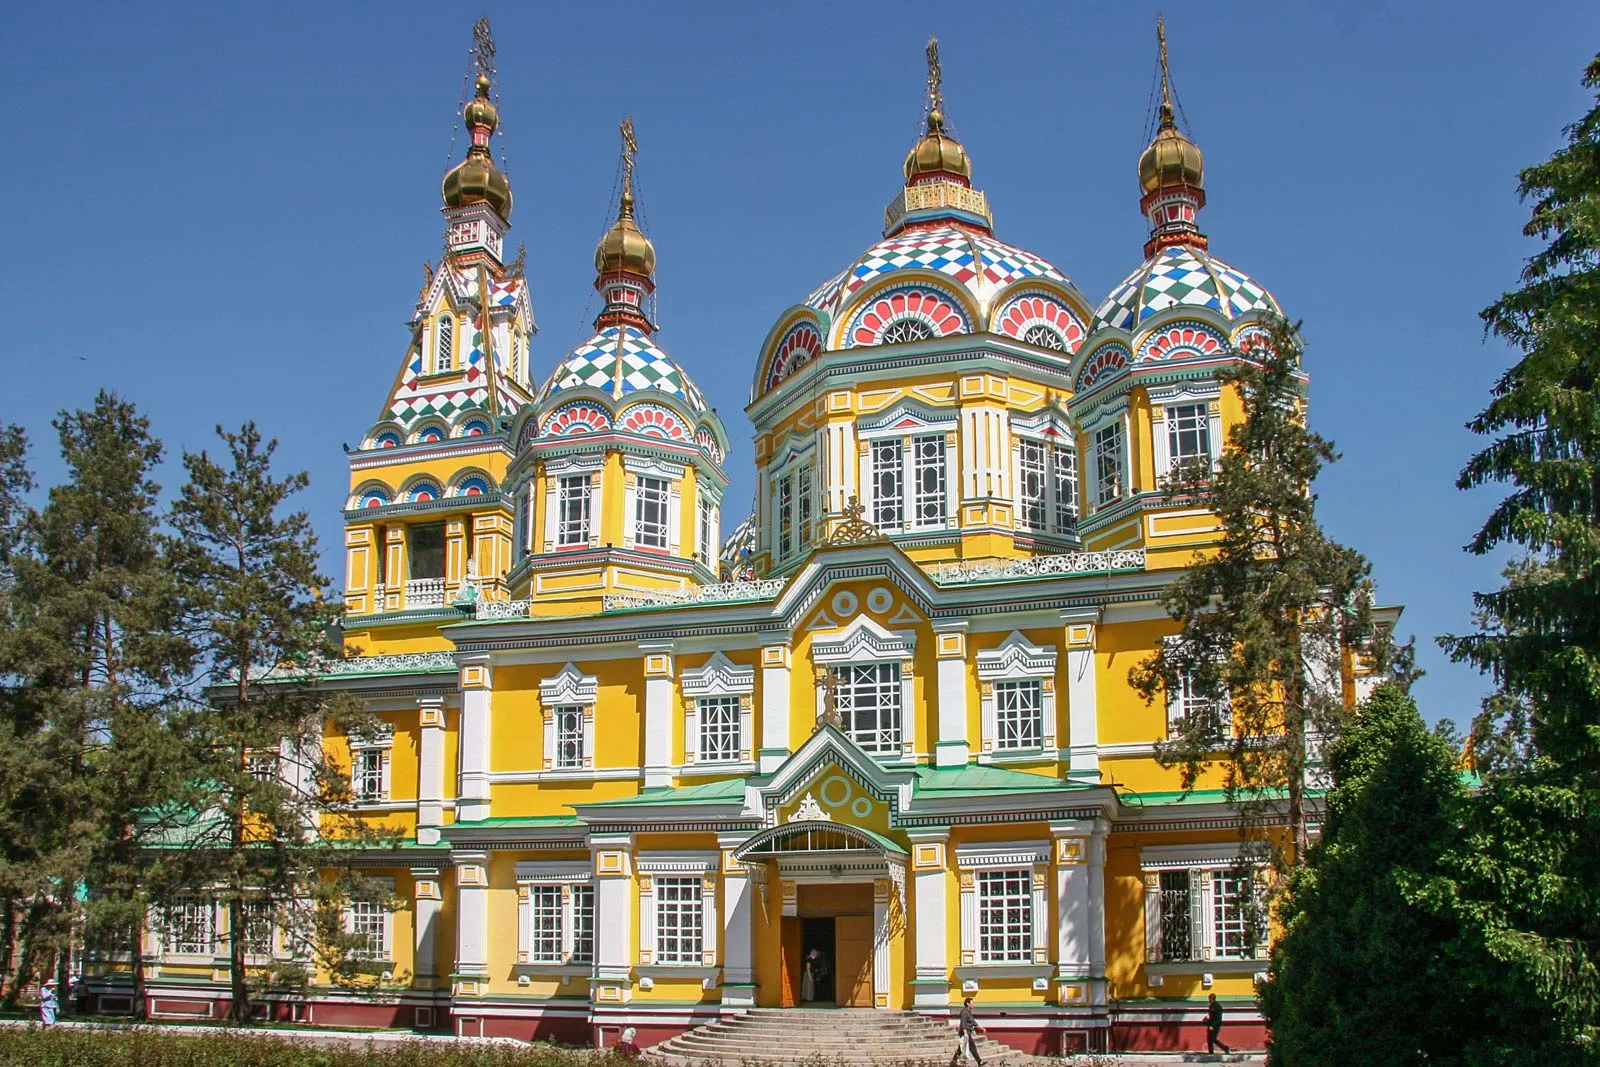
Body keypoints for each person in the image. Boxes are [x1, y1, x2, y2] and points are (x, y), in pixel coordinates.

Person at [949, 996, 983, 1067]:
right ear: (968, 1004)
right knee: (972, 1047)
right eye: (972, 1003)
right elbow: (963, 1023)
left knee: (961, 1048)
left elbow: (972, 1021)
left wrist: (980, 1028)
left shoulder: (968, 1012)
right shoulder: (964, 1012)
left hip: (967, 1032)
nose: (973, 1004)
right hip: (965, 1032)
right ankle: (979, 1062)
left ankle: (953, 1061)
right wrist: (965, 1033)